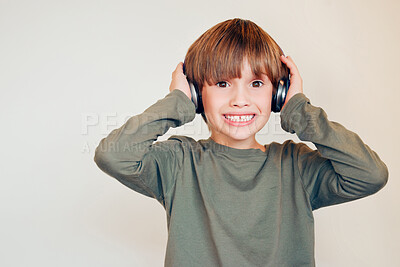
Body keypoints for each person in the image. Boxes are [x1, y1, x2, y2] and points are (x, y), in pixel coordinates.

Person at [94, 18, 388, 266]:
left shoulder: (296, 166)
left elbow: (369, 175)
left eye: (256, 84)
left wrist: (299, 110)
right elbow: (113, 156)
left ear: (278, 94)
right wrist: (176, 103)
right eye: (222, 84)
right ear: (197, 94)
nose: (240, 100)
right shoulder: (179, 162)